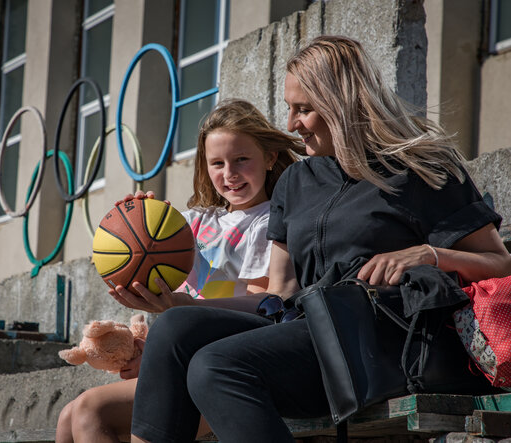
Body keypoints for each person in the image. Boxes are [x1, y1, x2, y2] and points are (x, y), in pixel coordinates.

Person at [127, 36, 511, 443]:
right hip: (310, 336)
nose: (291, 124)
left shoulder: (421, 169)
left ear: (343, 104)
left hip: (384, 342)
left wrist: (430, 254)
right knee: (174, 328)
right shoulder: (297, 180)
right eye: (290, 109)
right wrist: (178, 300)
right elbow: (279, 294)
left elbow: (499, 263)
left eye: (304, 109)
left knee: (216, 365)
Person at [55, 99, 301, 442]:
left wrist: (185, 308)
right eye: (217, 163)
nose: (229, 173)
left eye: (241, 159)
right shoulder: (194, 223)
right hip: (179, 357)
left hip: (220, 363)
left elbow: (264, 305)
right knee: (67, 416)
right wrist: (133, 221)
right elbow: (118, 260)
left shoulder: (269, 221)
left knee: (89, 409)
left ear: (270, 157)